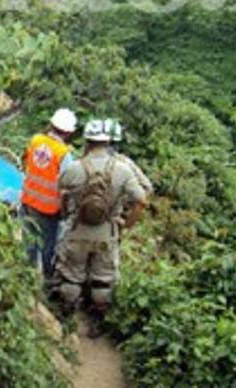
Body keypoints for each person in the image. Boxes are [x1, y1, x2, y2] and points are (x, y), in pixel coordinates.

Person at [55, 118, 151, 336]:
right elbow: (142, 200)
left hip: (78, 229)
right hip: (107, 232)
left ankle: (66, 318)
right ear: (108, 141)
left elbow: (61, 190)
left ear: (87, 141)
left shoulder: (75, 168)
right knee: (103, 279)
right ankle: (96, 323)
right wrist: (126, 224)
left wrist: (67, 214)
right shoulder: (124, 170)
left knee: (71, 275)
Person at [20, 107, 77, 281]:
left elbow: (25, 162)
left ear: (51, 124)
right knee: (48, 247)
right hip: (48, 208)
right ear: (68, 133)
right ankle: (47, 280)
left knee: (29, 241)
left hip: (28, 200)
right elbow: (68, 185)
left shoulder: (35, 140)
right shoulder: (63, 154)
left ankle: (26, 276)